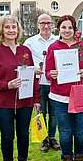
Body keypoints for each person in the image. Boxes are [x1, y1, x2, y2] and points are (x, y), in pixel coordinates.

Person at [0, 15, 40, 161]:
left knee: (23, 134)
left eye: (14, 27)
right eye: (7, 27)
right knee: (8, 136)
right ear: (2, 30)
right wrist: (6, 85)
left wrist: (37, 98)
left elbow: (32, 75)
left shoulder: (25, 51)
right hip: (3, 102)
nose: (11, 30)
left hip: (25, 101)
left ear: (18, 30)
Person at [45, 15, 83, 161]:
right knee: (65, 131)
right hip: (60, 97)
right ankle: (67, 160)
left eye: (70, 27)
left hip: (82, 94)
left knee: (81, 131)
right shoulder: (53, 47)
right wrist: (51, 74)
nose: (66, 30)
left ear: (74, 29)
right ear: (58, 29)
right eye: (63, 27)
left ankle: (80, 158)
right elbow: (47, 71)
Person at [24, 13, 60, 152]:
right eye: (42, 23)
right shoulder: (30, 42)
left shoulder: (58, 40)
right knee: (41, 112)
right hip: (38, 83)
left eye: (48, 23)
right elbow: (23, 63)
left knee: (55, 113)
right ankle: (43, 139)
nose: (46, 26)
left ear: (52, 24)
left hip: (55, 83)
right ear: (37, 24)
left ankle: (52, 137)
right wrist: (33, 70)